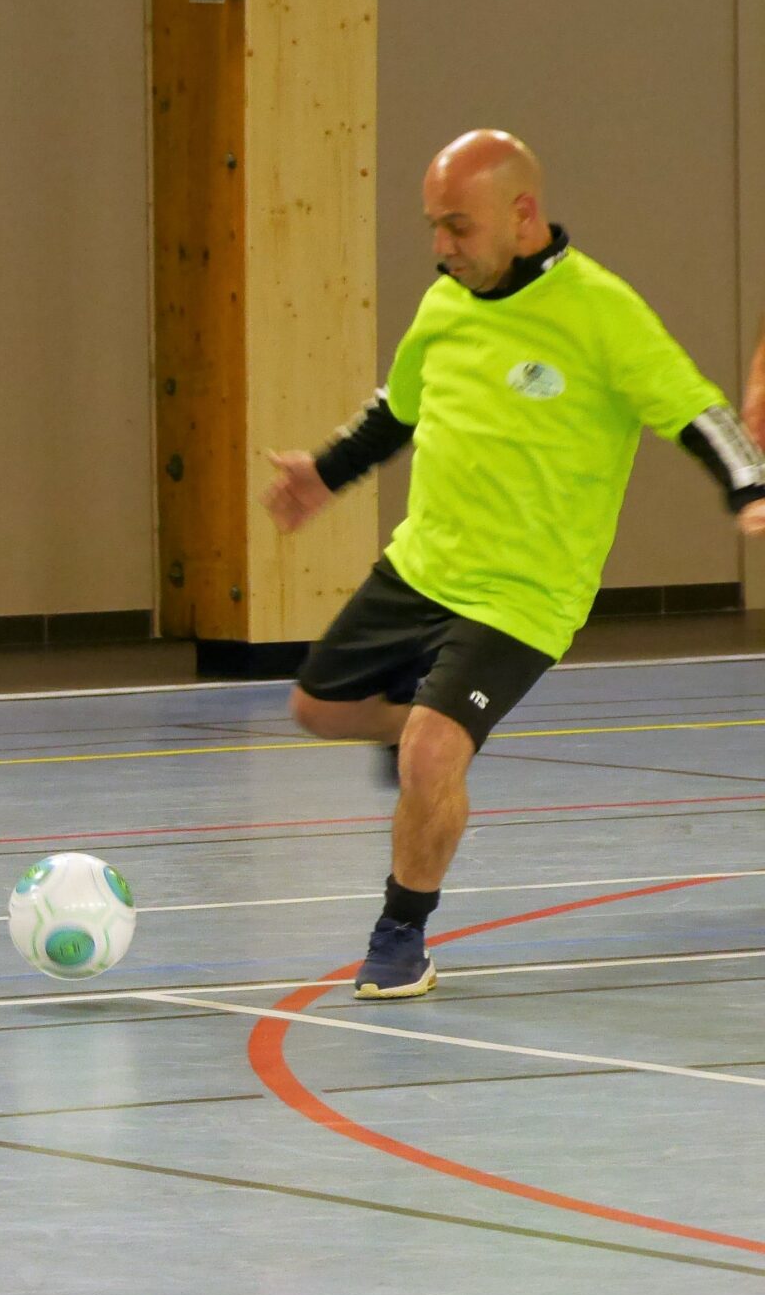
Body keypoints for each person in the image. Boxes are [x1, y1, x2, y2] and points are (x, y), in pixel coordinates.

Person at [265, 130, 765, 1000]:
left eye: (457, 227)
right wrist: (324, 473)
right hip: (421, 566)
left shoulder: (603, 310)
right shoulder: (445, 303)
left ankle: (400, 935)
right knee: (315, 708)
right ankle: (417, 728)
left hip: (524, 596)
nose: (441, 247)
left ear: (522, 213)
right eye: (433, 227)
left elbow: (698, 409)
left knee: (430, 759)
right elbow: (399, 409)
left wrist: (750, 486)